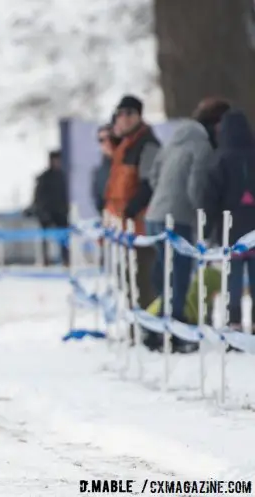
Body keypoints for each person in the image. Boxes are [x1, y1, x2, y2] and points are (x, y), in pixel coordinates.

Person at [143, 97, 230, 351]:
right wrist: (201, 215)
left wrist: (162, 196)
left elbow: (154, 174)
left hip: (155, 215)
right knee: (179, 279)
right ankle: (174, 334)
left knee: (164, 279)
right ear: (217, 125)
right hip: (178, 218)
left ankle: (155, 330)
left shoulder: (174, 140)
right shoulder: (202, 146)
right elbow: (196, 187)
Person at [104, 95, 160, 310]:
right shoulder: (125, 147)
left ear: (139, 116)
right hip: (125, 228)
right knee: (129, 281)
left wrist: (131, 209)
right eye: (120, 114)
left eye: (130, 114)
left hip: (142, 226)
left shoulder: (147, 145)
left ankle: (150, 331)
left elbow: (150, 183)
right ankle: (137, 328)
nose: (124, 119)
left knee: (144, 282)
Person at [203, 109, 255, 331]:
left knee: (233, 278)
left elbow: (210, 197)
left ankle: (233, 322)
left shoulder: (219, 159)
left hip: (230, 229)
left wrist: (206, 229)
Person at [25, 150, 69, 266]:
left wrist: (65, 210)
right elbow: (39, 196)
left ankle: (65, 258)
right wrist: (43, 212)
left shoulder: (62, 176)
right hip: (47, 213)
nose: (57, 163)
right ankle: (45, 259)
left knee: (63, 237)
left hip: (60, 213)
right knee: (45, 238)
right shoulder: (44, 177)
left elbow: (64, 196)